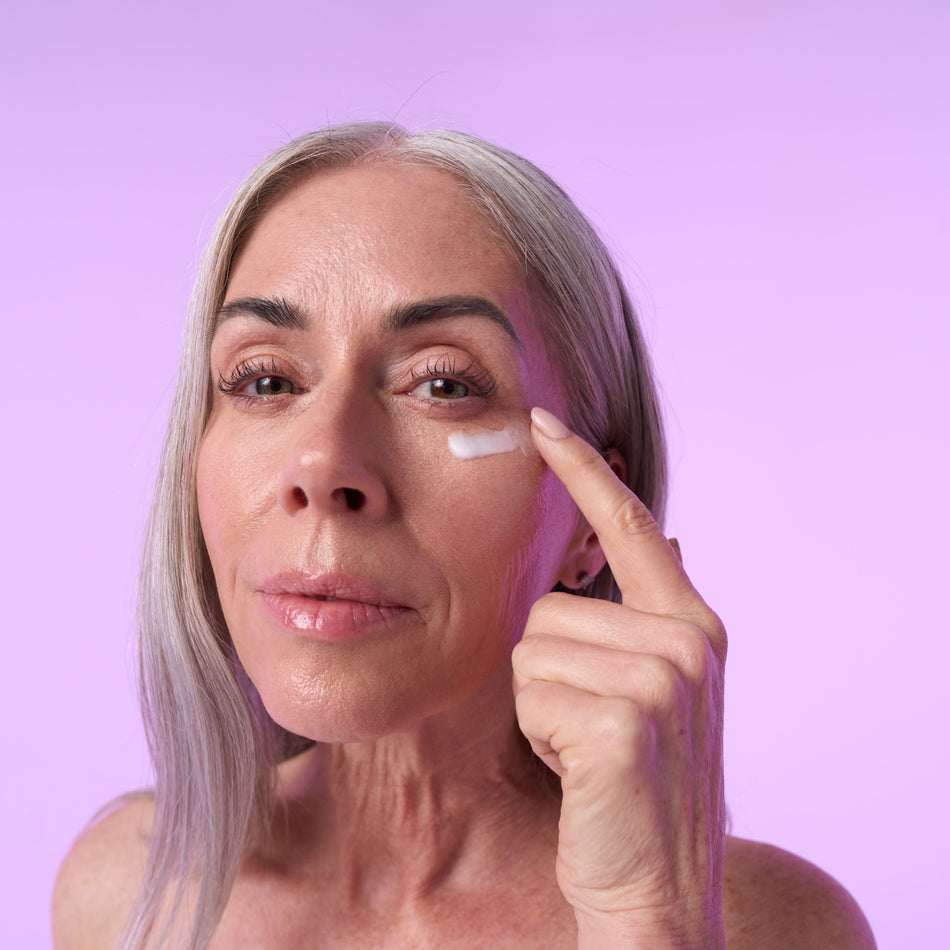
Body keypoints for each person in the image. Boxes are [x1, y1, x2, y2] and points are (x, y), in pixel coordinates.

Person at [52, 122, 876, 949]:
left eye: (443, 384)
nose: (323, 462)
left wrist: (644, 919)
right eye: (265, 379)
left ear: (592, 515)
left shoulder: (775, 929)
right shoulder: (122, 892)